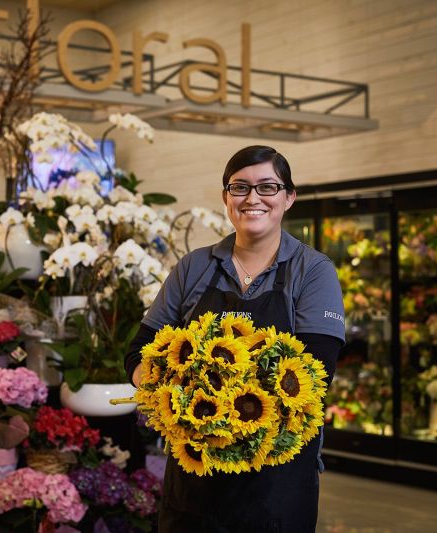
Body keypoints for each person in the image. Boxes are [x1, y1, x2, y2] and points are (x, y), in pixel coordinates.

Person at [124, 145, 345, 532]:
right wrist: (164, 394)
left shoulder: (312, 271)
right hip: (194, 474)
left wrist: (211, 392)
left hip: (276, 476)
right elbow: (139, 353)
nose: (252, 198)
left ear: (289, 197)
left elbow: (314, 374)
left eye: (267, 187)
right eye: (239, 187)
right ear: (226, 198)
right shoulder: (194, 267)